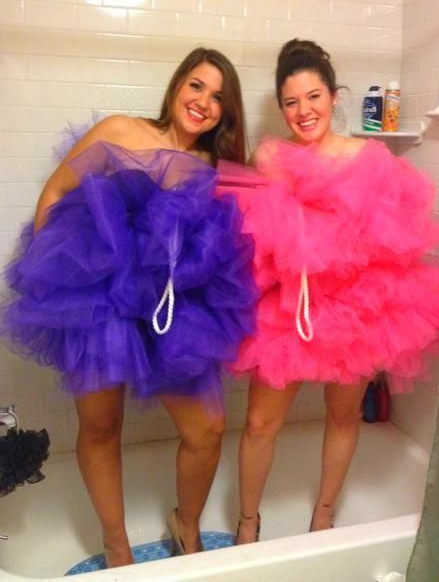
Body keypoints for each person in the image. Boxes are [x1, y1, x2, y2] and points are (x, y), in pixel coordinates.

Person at [0, 48, 257, 566]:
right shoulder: (120, 130)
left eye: (218, 97)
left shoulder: (214, 166)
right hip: (102, 307)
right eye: (196, 85)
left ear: (226, 112)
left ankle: (186, 524)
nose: (203, 102)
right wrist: (54, 275)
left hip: (169, 310)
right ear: (177, 85)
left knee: (206, 430)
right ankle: (117, 546)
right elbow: (58, 189)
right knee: (100, 427)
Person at [231, 39, 439, 544]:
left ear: (334, 96)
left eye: (313, 97)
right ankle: (247, 523)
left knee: (344, 413)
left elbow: (393, 237)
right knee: (261, 423)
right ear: (281, 107)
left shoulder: (368, 157)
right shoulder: (270, 155)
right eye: (291, 102)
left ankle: (324, 517)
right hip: (288, 308)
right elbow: (253, 234)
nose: (303, 111)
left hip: (354, 309)